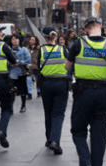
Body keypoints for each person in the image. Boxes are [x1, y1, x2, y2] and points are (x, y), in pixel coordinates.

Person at [65, 17, 106, 166]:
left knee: (78, 131)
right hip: (102, 94)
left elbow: (66, 67)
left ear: (85, 29)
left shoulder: (78, 44)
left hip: (82, 93)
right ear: (100, 26)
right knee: (99, 133)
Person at [38, 27, 69, 155]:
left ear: (45, 37)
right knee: (58, 114)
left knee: (48, 112)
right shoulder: (62, 49)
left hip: (46, 84)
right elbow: (69, 63)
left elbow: (38, 65)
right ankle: (55, 141)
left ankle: (49, 138)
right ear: (55, 37)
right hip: (61, 83)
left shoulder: (41, 50)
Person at [8, 35, 31, 113]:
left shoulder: (23, 50)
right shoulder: (9, 50)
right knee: (11, 91)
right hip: (12, 73)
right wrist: (11, 63)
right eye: (13, 39)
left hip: (21, 73)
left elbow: (28, 59)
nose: (15, 41)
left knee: (23, 91)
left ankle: (23, 105)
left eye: (17, 39)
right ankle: (10, 107)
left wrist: (21, 62)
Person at [26, 35, 40, 100]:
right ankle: (29, 93)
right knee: (28, 80)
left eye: (33, 40)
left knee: (38, 79)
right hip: (29, 66)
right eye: (30, 40)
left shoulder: (39, 48)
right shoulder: (26, 48)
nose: (31, 41)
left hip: (36, 66)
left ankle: (39, 91)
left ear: (36, 41)